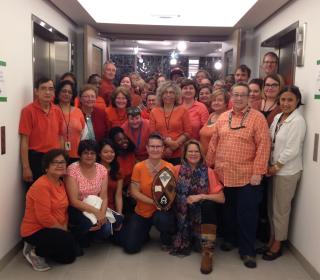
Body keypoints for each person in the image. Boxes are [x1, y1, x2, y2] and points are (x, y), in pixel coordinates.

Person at [206, 82, 270, 269]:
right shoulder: (224, 117)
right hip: (223, 174)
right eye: (236, 94)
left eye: (243, 95)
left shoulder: (258, 118)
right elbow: (213, 143)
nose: (239, 98)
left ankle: (247, 250)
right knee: (228, 211)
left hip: (246, 177)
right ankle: (230, 239)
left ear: (249, 97)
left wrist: (258, 172)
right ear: (231, 97)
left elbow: (263, 147)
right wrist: (208, 167)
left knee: (247, 214)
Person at [263, 86, 306, 261]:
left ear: (297, 101)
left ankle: (278, 243)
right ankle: (273, 237)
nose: (286, 103)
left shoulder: (298, 121)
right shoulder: (279, 117)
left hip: (286, 172)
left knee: (281, 209)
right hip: (273, 169)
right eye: (283, 100)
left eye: (290, 100)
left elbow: (292, 149)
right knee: (271, 208)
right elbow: (269, 138)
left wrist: (276, 166)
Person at [171, 140, 225, 274]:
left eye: (196, 151)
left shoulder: (209, 172)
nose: (193, 154)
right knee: (164, 217)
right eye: (190, 151)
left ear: (201, 154)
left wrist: (201, 196)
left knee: (209, 204)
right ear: (184, 154)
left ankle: (207, 254)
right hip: (180, 215)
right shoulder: (176, 170)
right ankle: (174, 237)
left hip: (201, 218)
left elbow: (221, 198)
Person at [21, 149, 77, 271]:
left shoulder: (61, 183)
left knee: (70, 256)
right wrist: (63, 231)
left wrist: (65, 227)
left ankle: (47, 246)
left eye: (62, 162)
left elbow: (64, 210)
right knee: (66, 239)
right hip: (36, 230)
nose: (60, 165)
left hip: (54, 227)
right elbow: (44, 217)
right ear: (46, 167)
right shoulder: (41, 186)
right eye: (55, 162)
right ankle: (34, 252)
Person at [121, 133, 176, 253]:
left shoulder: (169, 167)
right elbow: (134, 192)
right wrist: (153, 202)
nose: (155, 149)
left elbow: (172, 192)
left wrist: (162, 205)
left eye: (158, 146)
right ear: (147, 148)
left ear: (162, 148)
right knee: (130, 248)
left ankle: (166, 237)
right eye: (152, 146)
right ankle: (144, 234)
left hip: (161, 211)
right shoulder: (139, 167)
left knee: (163, 219)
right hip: (142, 212)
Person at [65, 140, 111, 248]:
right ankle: (78, 234)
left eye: (92, 153)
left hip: (96, 205)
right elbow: (73, 201)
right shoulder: (72, 169)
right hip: (77, 208)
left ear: (97, 154)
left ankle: (92, 234)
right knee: (87, 226)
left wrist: (102, 214)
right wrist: (96, 212)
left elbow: (103, 196)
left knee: (106, 229)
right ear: (80, 154)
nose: (89, 156)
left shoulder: (102, 169)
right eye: (85, 153)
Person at [19, 77, 64, 188]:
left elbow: (60, 136)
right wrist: (26, 167)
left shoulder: (57, 110)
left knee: (54, 191)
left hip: (55, 157)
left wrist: (62, 160)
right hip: (36, 159)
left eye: (50, 89)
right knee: (37, 192)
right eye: (43, 88)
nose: (47, 92)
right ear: (36, 91)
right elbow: (24, 140)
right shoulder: (28, 111)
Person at [149, 81, 192, 165]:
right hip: (160, 153)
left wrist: (174, 146)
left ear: (176, 95)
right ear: (161, 95)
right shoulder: (154, 111)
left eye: (171, 92)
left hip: (179, 153)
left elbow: (188, 132)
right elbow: (153, 133)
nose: (168, 95)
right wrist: (167, 142)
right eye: (165, 92)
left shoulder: (183, 110)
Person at [54, 80, 85, 164]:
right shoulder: (52, 110)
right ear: (58, 93)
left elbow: (83, 134)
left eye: (69, 92)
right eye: (63, 91)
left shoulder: (79, 112)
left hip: (77, 156)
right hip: (56, 157)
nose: (66, 94)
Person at [109, 127, 136, 214]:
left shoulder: (130, 153)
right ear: (113, 143)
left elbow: (134, 173)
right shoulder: (113, 158)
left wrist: (131, 186)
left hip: (130, 187)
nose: (124, 141)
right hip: (116, 192)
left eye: (124, 138)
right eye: (119, 140)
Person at [199, 89, 229, 154]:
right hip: (204, 156)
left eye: (220, 100)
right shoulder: (211, 115)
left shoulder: (227, 118)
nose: (216, 102)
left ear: (226, 103)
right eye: (214, 100)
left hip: (216, 158)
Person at [99, 139, 124, 214]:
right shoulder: (94, 169)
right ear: (99, 154)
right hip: (95, 208)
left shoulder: (118, 171)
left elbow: (118, 195)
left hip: (110, 210)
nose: (109, 154)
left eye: (112, 152)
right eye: (106, 152)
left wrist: (119, 214)